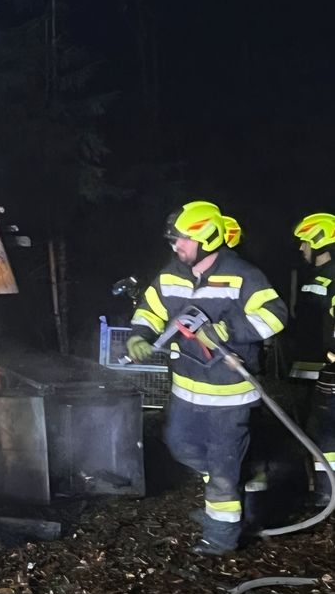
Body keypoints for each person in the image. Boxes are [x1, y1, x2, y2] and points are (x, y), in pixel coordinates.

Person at [126, 200, 287, 555]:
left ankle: (220, 537)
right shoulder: (170, 274)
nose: (175, 246)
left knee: (222, 467)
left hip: (231, 393)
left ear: (208, 239)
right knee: (180, 446)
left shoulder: (243, 274)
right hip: (187, 390)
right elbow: (150, 310)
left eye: (182, 240)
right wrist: (140, 335)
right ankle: (231, 483)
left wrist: (227, 330)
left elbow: (274, 315)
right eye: (173, 240)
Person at [290, 213, 335, 505]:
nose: (301, 248)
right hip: (306, 363)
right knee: (311, 427)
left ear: (319, 241)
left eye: (305, 242)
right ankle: (319, 487)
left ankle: (326, 491)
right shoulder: (308, 276)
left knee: (327, 428)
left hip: (329, 366)